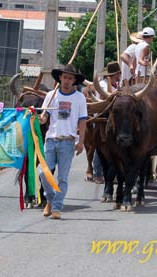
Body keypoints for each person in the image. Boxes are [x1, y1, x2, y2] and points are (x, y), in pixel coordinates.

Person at [39, 64, 88, 220]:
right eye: (64, 77)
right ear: (60, 77)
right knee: (44, 173)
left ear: (74, 80)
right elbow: (45, 116)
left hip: (68, 141)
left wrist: (81, 142)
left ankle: (56, 207)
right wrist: (42, 118)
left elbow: (82, 121)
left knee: (63, 178)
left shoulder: (79, 98)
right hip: (51, 140)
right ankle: (50, 200)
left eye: (70, 78)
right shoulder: (51, 95)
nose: (67, 81)